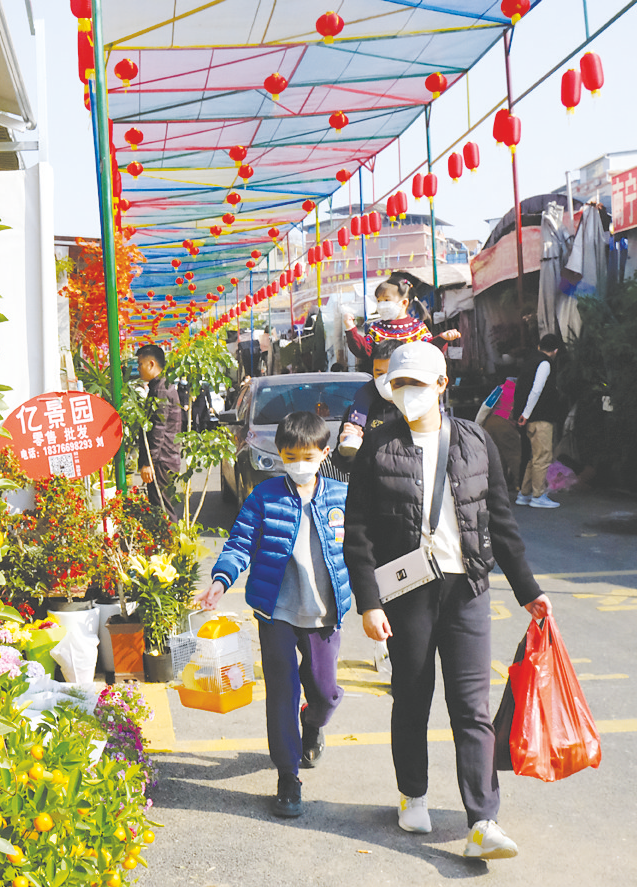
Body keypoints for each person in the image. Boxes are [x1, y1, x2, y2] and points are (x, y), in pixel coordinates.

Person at [343, 341, 553, 859]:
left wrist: (530, 591)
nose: (408, 394)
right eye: (400, 385)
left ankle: (482, 821)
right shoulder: (378, 446)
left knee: (472, 708)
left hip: (467, 592)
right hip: (407, 592)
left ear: (441, 385)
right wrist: (369, 602)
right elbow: (358, 531)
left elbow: (500, 524)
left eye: (418, 383)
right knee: (412, 698)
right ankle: (412, 792)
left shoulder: (475, 443)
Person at [197, 411, 352, 819]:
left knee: (324, 689)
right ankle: (287, 776)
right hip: (276, 611)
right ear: (280, 455)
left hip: (324, 612)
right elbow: (240, 543)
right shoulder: (264, 497)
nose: (298, 463)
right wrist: (220, 580)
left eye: (307, 455)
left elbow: (362, 550)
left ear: (324, 453)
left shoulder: (341, 496)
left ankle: (313, 723)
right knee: (282, 693)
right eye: (289, 455)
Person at [344, 276, 460, 360]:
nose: (381, 304)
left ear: (404, 303)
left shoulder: (418, 328)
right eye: (379, 300)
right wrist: (351, 329)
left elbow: (429, 350)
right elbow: (364, 351)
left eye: (386, 300)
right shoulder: (376, 328)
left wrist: (442, 338)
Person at [514, 334, 566, 509]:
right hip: (541, 416)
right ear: (556, 351)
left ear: (539, 346)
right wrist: (527, 413)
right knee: (542, 457)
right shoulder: (545, 363)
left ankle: (524, 493)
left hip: (529, 417)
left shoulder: (530, 361)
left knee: (533, 457)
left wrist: (522, 414)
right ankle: (538, 494)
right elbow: (537, 390)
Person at [136, 344, 182, 521]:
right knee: (161, 508)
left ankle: (173, 545)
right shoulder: (161, 386)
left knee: (163, 510)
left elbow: (158, 429)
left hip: (162, 460)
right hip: (165, 458)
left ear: (151, 364)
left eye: (140, 364)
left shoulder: (161, 389)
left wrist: (149, 462)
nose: (138, 369)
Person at [475, 375, 523, 494]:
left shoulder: (499, 389)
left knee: (497, 457)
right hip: (505, 423)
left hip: (490, 423)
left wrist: (478, 424)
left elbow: (486, 406)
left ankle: (499, 486)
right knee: (514, 455)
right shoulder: (520, 391)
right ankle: (521, 485)